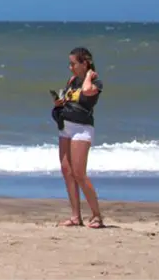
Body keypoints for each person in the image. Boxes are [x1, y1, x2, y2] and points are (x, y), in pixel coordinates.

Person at [55, 46, 105, 228]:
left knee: (79, 173)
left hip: (81, 129)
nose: (71, 67)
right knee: (67, 171)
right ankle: (76, 216)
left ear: (85, 63)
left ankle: (97, 215)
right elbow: (71, 98)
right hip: (65, 127)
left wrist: (89, 75)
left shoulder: (95, 83)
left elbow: (86, 93)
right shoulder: (72, 80)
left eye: (73, 64)